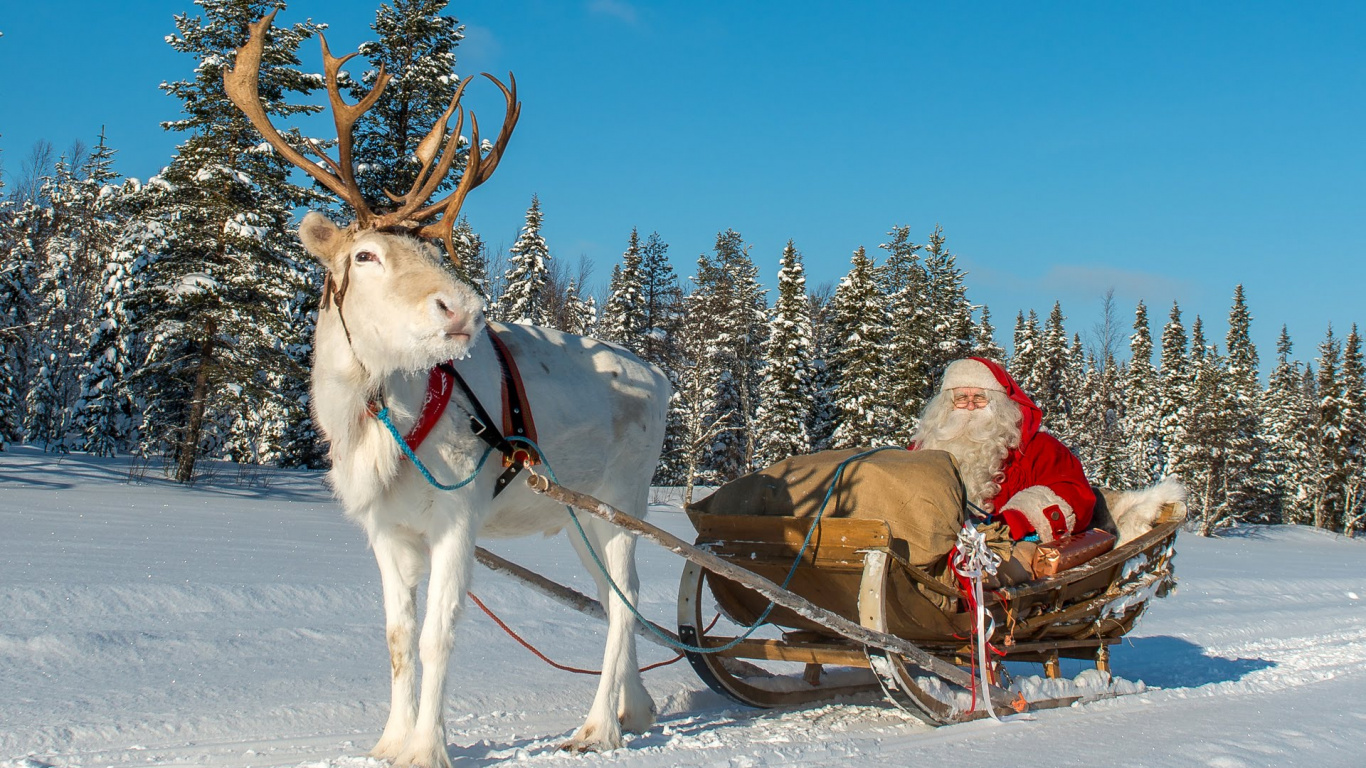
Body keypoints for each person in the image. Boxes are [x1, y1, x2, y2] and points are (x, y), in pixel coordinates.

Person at [910, 357, 1095, 548]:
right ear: (947, 405)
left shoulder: (1038, 447)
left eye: (980, 398)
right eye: (961, 398)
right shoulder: (923, 448)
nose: (970, 406)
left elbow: (1075, 494)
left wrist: (1015, 521)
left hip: (1006, 556)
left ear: (999, 404)